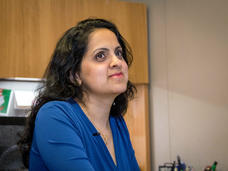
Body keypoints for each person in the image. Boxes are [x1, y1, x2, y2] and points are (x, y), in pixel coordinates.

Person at [18, 18, 140, 171]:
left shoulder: (117, 123)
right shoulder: (54, 115)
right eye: (100, 56)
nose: (117, 62)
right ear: (75, 75)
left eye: (119, 53)